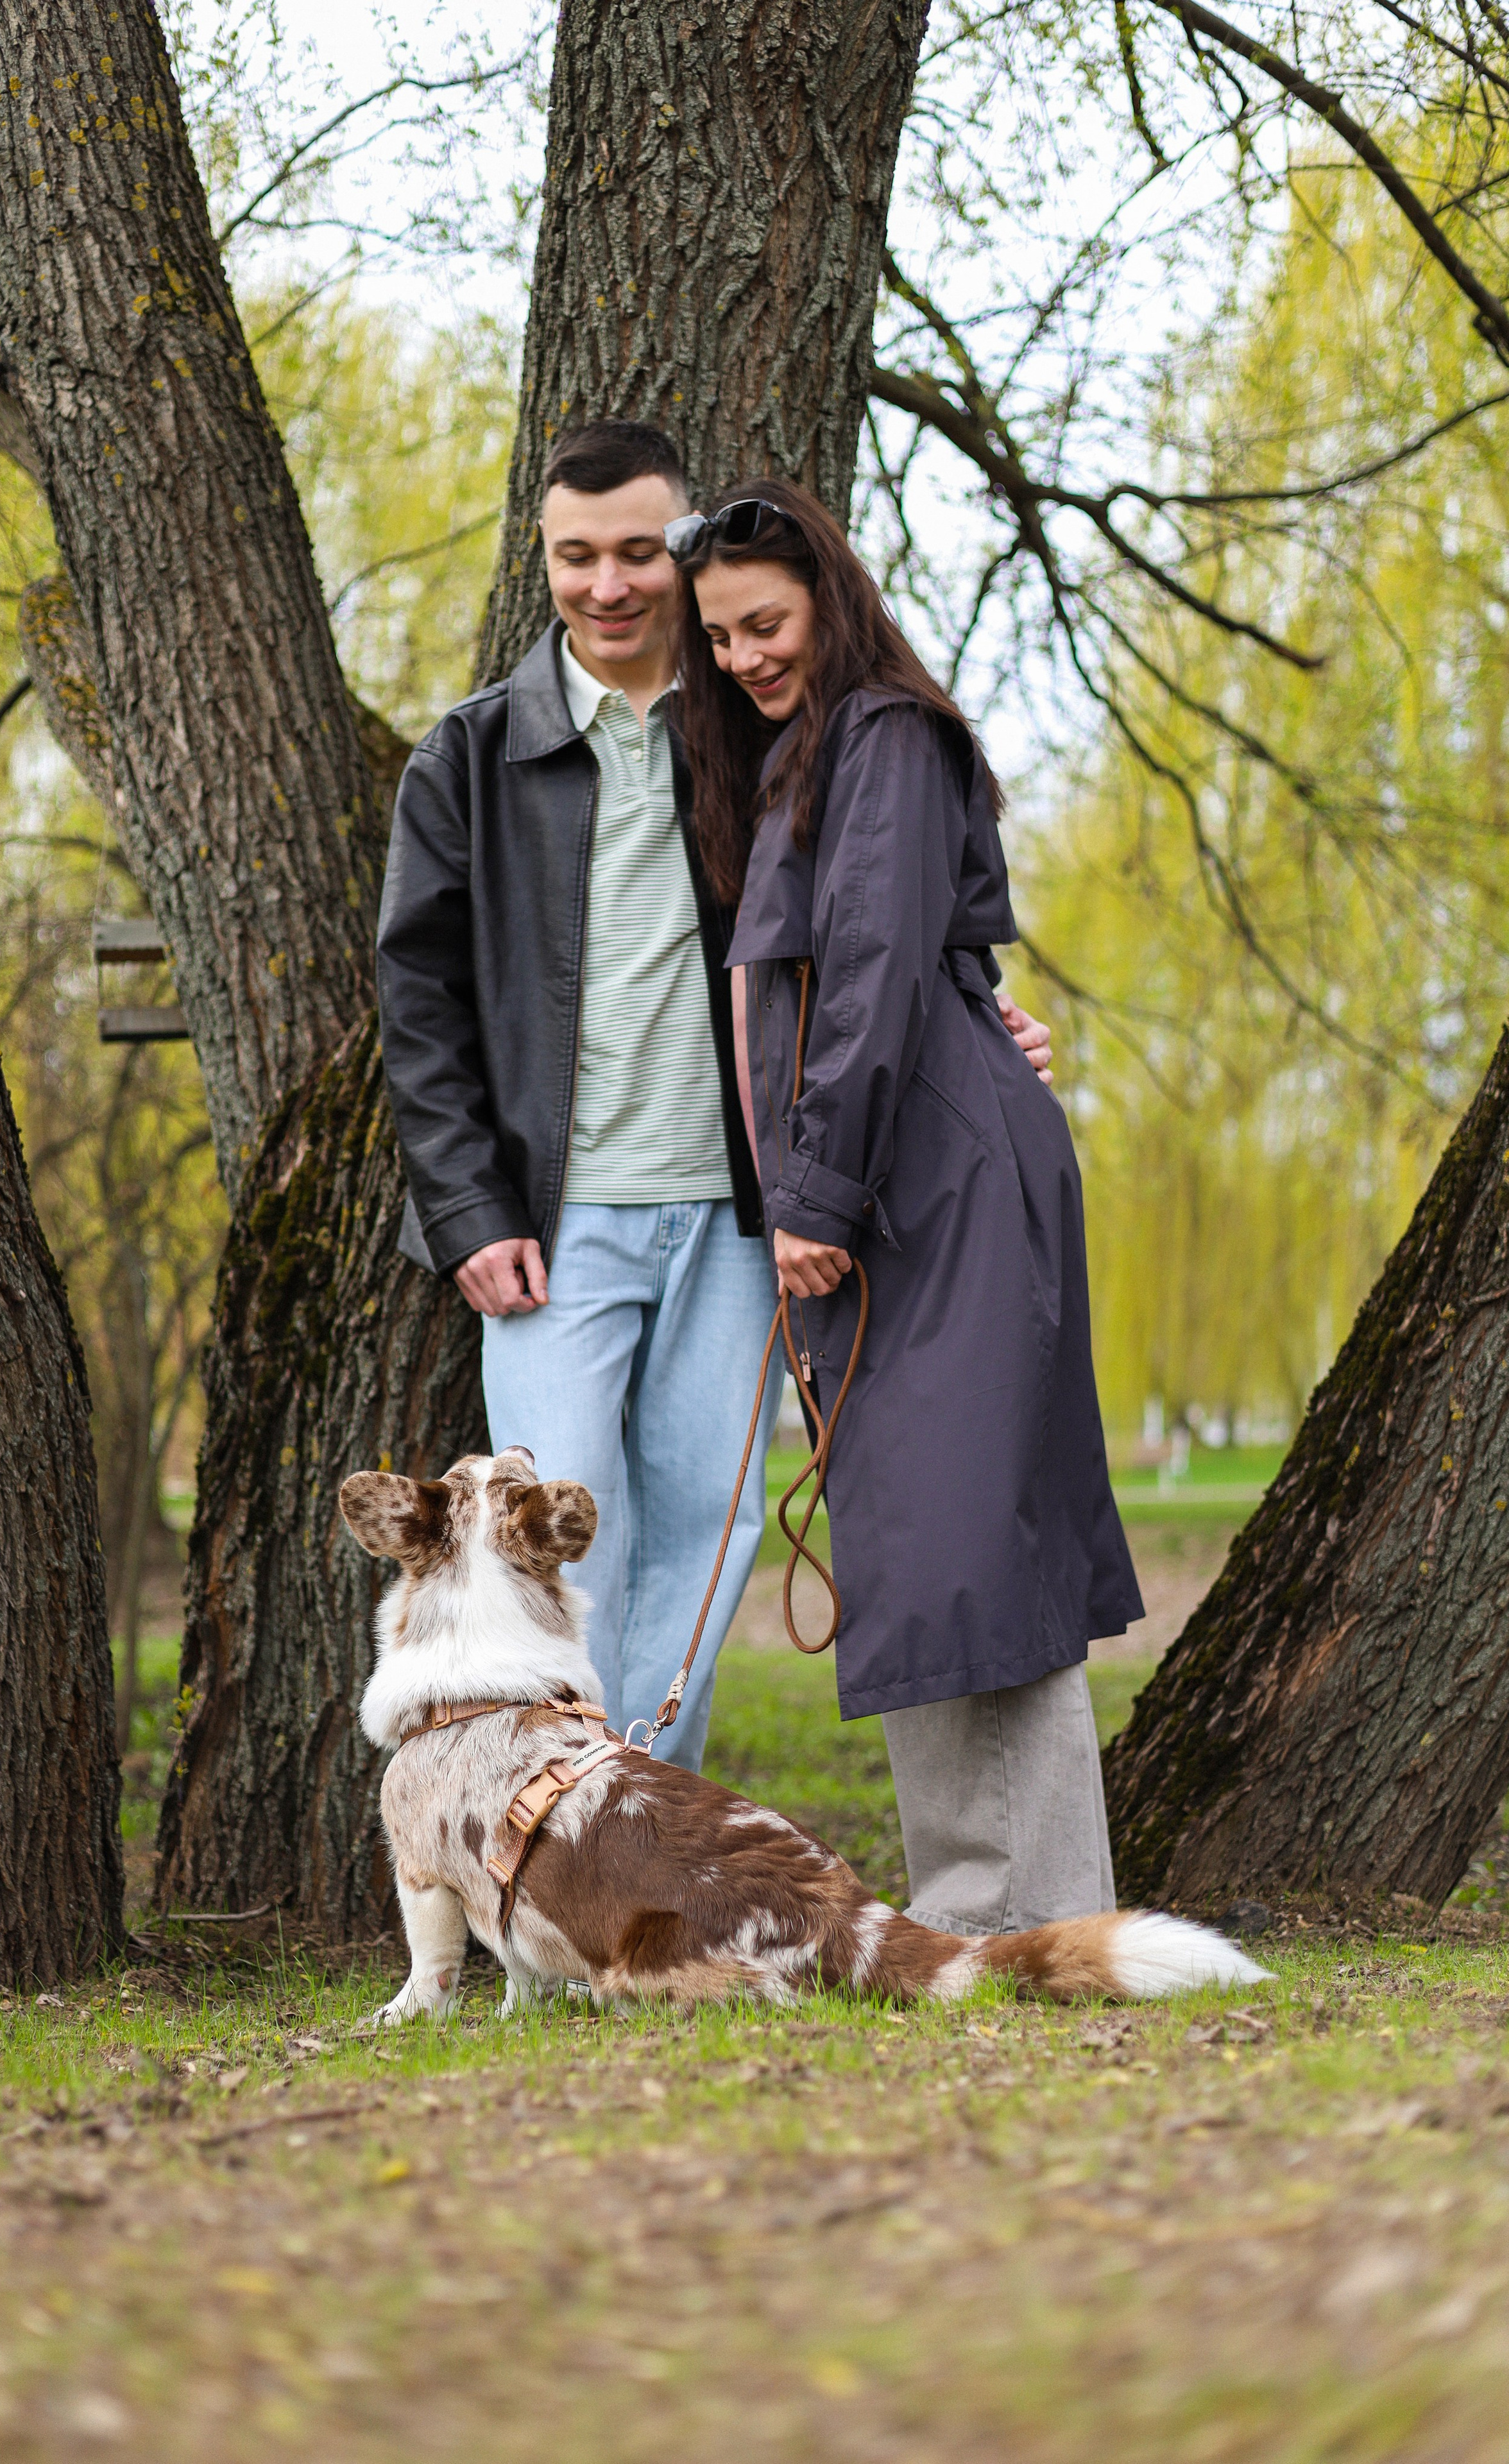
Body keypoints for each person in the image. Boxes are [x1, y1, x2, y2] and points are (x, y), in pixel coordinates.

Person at [376, 420, 1055, 1770]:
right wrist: (464, 1206)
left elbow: (872, 924)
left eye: (637, 552)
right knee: (560, 1533)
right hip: (550, 1227)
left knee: (708, 1528)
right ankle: (545, 1831)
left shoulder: (756, 735)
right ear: (545, 559)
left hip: (744, 1221)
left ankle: (641, 1836)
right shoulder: (470, 757)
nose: (607, 585)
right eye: (576, 556)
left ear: (680, 562)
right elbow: (417, 1000)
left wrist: (973, 1023)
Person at [669, 478, 1143, 1932]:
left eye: (767, 623)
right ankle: (987, 1917)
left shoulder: (883, 735)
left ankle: (1031, 1921)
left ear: (827, 597)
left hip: (921, 1181)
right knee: (927, 1542)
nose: (745, 655)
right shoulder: (797, 753)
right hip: (905, 1167)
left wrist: (809, 1192)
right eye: (722, 638)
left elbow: (870, 969)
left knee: (966, 1539)